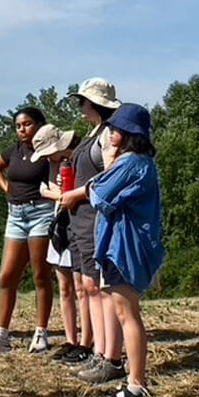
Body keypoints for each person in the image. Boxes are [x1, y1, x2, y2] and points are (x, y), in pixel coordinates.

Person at [62, 102, 165, 397]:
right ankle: (135, 383)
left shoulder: (130, 163)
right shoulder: (142, 163)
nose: (110, 133)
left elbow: (99, 195)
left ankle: (137, 387)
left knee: (127, 316)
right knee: (127, 314)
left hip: (124, 248)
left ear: (127, 134)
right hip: (126, 246)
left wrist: (102, 170)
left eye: (115, 129)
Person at [0, 107, 58, 355]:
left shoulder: (48, 151)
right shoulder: (15, 150)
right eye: (18, 126)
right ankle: (1, 336)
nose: (22, 129)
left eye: (28, 124)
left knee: (41, 274)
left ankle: (41, 334)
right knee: (7, 276)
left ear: (40, 125)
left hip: (41, 213)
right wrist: (6, 188)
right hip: (16, 216)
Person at [59, 78, 125, 380]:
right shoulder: (94, 133)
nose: (80, 108)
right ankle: (99, 351)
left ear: (96, 104)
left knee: (100, 289)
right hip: (81, 219)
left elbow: (110, 177)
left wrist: (76, 193)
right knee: (89, 286)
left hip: (95, 218)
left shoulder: (110, 134)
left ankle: (110, 357)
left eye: (82, 102)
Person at [28, 123, 80, 359]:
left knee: (83, 288)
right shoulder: (52, 165)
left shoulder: (79, 157)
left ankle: (87, 342)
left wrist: (54, 193)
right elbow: (48, 190)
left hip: (79, 226)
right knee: (65, 288)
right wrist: (56, 193)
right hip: (59, 227)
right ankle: (71, 340)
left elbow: (73, 193)